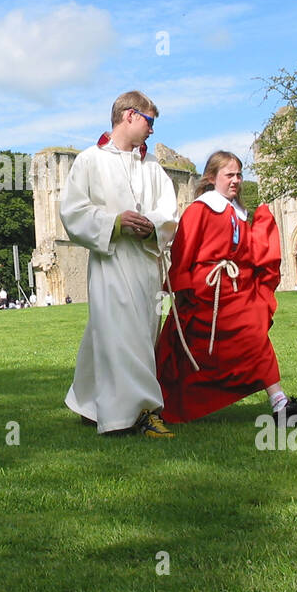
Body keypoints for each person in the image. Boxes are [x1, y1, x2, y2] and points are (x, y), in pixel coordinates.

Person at [155, 152, 297, 425]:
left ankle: (279, 403)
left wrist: (263, 227)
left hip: (239, 290)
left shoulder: (239, 213)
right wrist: (183, 291)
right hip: (208, 291)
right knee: (193, 353)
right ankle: (165, 403)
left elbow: (246, 253)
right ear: (211, 178)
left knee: (255, 338)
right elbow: (184, 251)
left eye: (239, 175)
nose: (236, 181)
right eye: (229, 175)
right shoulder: (200, 209)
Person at [61, 90, 178, 438]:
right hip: (109, 262)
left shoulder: (153, 166)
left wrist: (149, 226)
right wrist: (115, 222)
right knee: (122, 334)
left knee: (128, 332)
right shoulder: (89, 161)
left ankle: (90, 404)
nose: (152, 130)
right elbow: (73, 211)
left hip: (144, 263)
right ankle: (137, 414)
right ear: (129, 115)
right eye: (149, 121)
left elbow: (169, 213)